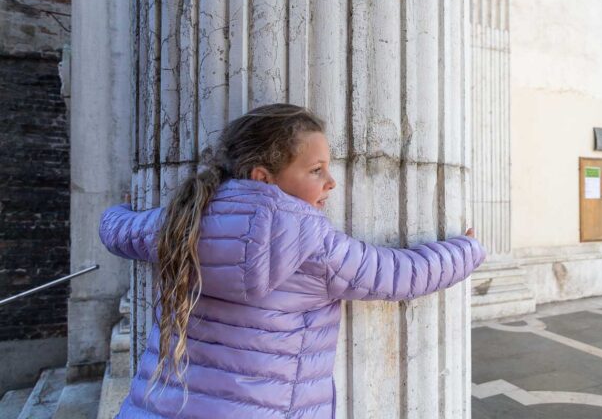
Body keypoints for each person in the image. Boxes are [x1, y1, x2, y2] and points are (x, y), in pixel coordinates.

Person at [99, 103, 486, 418]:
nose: (331, 182)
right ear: (263, 177)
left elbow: (116, 231)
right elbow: (399, 274)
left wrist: (119, 209)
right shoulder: (312, 241)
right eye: (317, 171)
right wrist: (466, 250)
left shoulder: (181, 219)